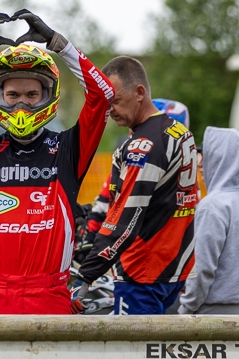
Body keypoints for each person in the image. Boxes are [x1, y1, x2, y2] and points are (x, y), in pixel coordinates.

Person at [0, 10, 114, 314]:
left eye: (32, 94)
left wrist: (59, 44)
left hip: (50, 296)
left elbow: (103, 95)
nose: (22, 104)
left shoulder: (68, 149)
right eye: (12, 94)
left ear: (48, 95)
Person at [76, 56, 198, 315]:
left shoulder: (143, 146)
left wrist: (85, 277)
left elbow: (125, 220)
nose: (109, 110)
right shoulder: (180, 132)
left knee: (130, 343)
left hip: (142, 271)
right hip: (176, 266)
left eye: (115, 101)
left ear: (139, 93)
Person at [76, 99, 190, 263]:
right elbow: (102, 207)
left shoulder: (187, 170)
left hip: (164, 259)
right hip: (133, 260)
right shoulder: (126, 166)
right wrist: (88, 240)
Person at [178, 127, 239, 315]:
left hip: (212, 312)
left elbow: (202, 269)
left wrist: (186, 309)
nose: (200, 164)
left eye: (207, 157)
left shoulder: (212, 205)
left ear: (221, 160)